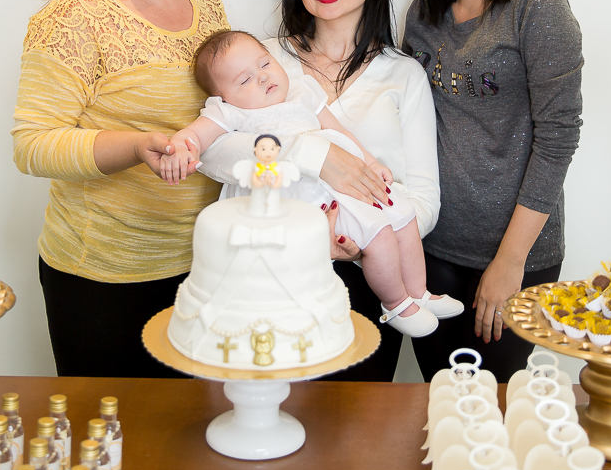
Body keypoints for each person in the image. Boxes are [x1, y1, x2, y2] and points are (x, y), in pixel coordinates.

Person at [198, 0, 442, 380]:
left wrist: (365, 233)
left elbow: (424, 196)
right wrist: (316, 158)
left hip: (377, 280)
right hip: (277, 275)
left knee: (358, 431)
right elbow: (213, 152)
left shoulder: (403, 74)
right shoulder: (264, 61)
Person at [11, 0, 229, 378]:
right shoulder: (72, 15)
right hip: (101, 278)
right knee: (113, 446)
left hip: (203, 266)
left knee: (188, 444)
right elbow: (31, 145)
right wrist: (133, 147)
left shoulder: (208, 3)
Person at [402, 0, 584, 380]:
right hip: (432, 247)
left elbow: (558, 139)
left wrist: (509, 263)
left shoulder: (537, 6)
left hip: (515, 253)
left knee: (498, 411)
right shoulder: (422, 15)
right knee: (441, 400)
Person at [161, 29, 462, 336]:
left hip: (347, 181)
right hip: (305, 197)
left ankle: (418, 292)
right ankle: (397, 305)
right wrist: (181, 149)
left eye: (265, 65)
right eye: (245, 80)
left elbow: (340, 133)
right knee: (381, 234)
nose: (263, 78)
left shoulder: (303, 92)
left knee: (405, 214)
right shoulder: (232, 113)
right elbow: (196, 137)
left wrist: (371, 163)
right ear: (223, 97)